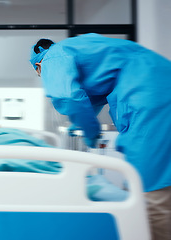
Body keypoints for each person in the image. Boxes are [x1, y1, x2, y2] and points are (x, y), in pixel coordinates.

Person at [30, 33, 171, 240]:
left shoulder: (52, 57)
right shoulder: (77, 48)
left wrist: (90, 130)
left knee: (150, 190)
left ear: (38, 66)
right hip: (155, 84)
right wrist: (80, 124)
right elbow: (91, 99)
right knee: (151, 176)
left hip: (149, 96)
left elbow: (67, 96)